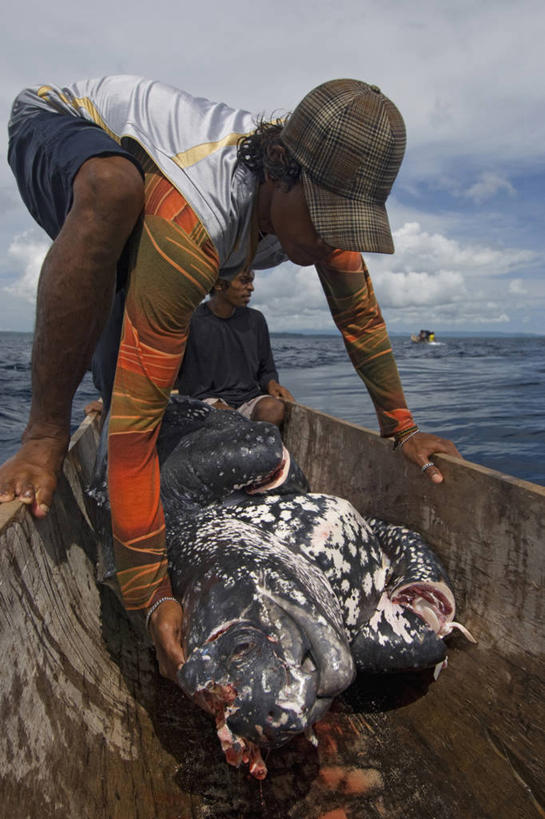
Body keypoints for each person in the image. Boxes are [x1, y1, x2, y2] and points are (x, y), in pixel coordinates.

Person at [0, 76, 461, 683]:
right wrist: (151, 598)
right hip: (58, 123)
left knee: (132, 350)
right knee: (114, 190)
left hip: (165, 204)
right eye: (324, 217)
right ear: (280, 169)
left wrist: (403, 429)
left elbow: (360, 319)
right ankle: (42, 436)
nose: (332, 237)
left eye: (346, 223)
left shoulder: (321, 224)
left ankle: (109, 411)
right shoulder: (199, 217)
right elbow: (136, 435)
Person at [176, 269, 294, 427]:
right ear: (219, 285)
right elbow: (185, 381)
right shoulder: (191, 321)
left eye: (251, 281)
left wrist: (272, 384)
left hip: (248, 398)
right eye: (244, 281)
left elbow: (267, 369)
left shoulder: (256, 320)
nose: (251, 287)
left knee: (274, 409)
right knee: (228, 418)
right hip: (206, 400)